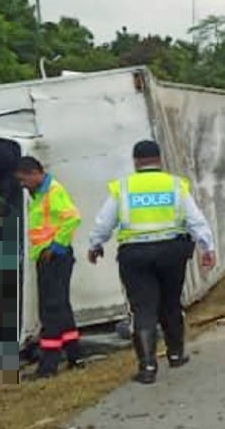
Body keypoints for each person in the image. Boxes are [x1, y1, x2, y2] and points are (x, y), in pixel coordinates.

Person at [87, 140, 216, 385]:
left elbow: (104, 222)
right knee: (170, 302)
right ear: (160, 159)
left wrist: (95, 245)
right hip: (171, 252)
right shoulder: (175, 185)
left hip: (135, 255)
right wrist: (206, 247)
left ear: (136, 161)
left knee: (143, 308)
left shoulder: (124, 187)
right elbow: (195, 219)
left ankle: (147, 366)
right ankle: (176, 354)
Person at [15, 156, 85, 379]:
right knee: (61, 307)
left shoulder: (52, 192)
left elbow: (72, 218)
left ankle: (48, 366)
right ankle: (75, 356)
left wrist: (55, 247)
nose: (22, 184)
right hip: (49, 257)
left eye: (23, 179)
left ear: (35, 173)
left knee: (51, 310)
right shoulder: (39, 193)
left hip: (54, 258)